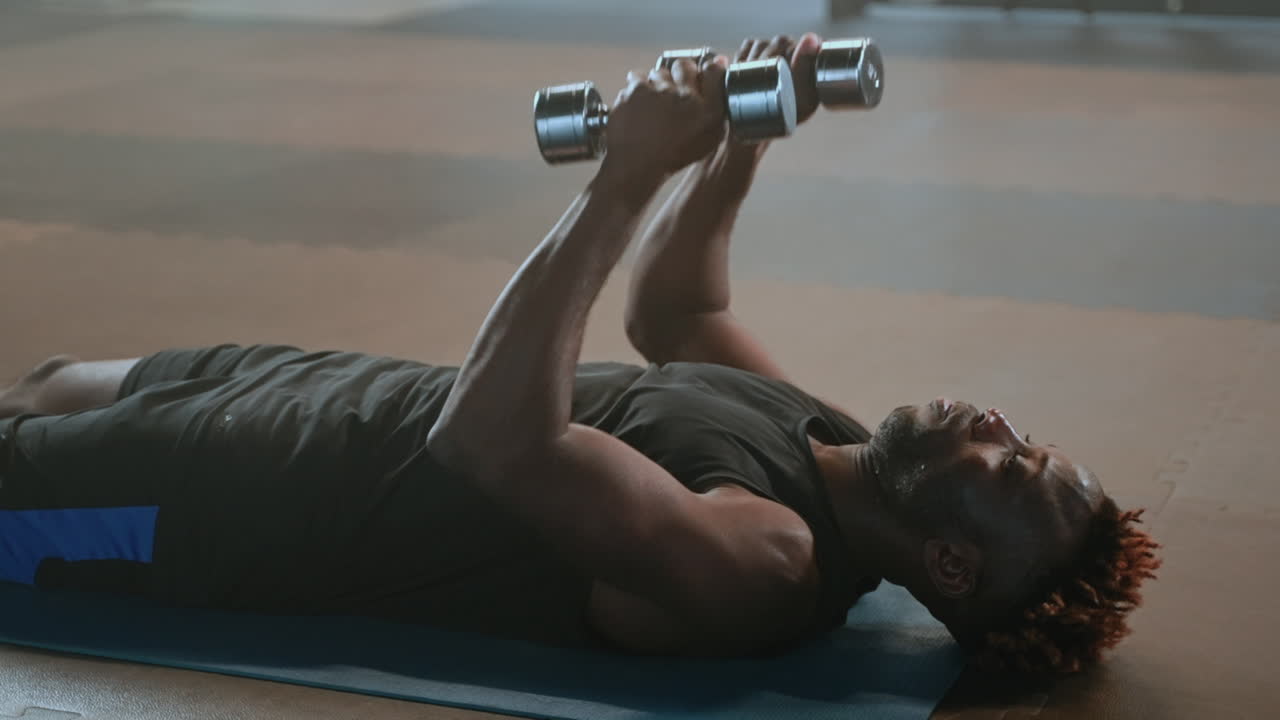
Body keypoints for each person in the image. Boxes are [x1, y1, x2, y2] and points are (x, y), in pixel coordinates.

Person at [0, 34, 1158, 675]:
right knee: (47, 379)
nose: (1003, 426)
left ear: (948, 567)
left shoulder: (763, 563)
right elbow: (675, 316)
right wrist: (740, 144)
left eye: (1015, 465)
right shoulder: (836, 443)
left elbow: (495, 438)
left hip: (234, 505)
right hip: (314, 389)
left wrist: (627, 173)